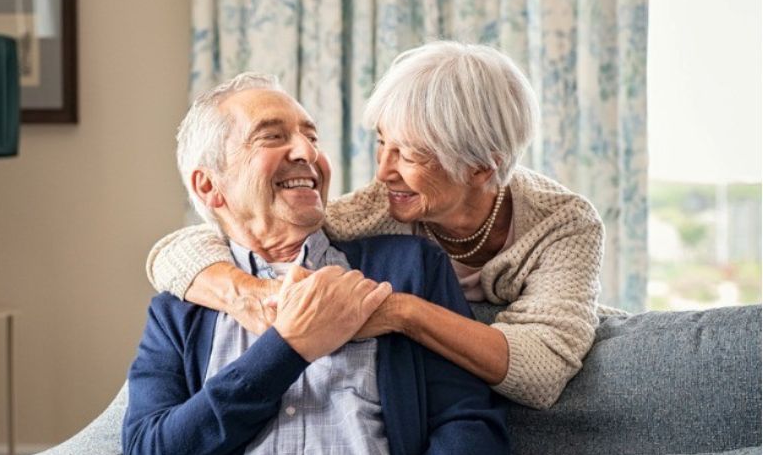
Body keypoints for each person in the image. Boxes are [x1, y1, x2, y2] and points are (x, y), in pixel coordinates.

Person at [145, 41, 609, 410]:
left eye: (408, 154)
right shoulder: (377, 209)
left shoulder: (563, 224)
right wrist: (249, 293)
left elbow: (543, 370)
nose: (384, 172)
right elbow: (181, 249)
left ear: (481, 169)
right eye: (382, 144)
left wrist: (401, 313)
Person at [122, 74, 509, 455]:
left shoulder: (407, 268)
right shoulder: (178, 313)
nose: (308, 152)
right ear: (209, 187)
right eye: (272, 137)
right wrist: (286, 348)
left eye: (312, 137)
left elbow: (470, 428)